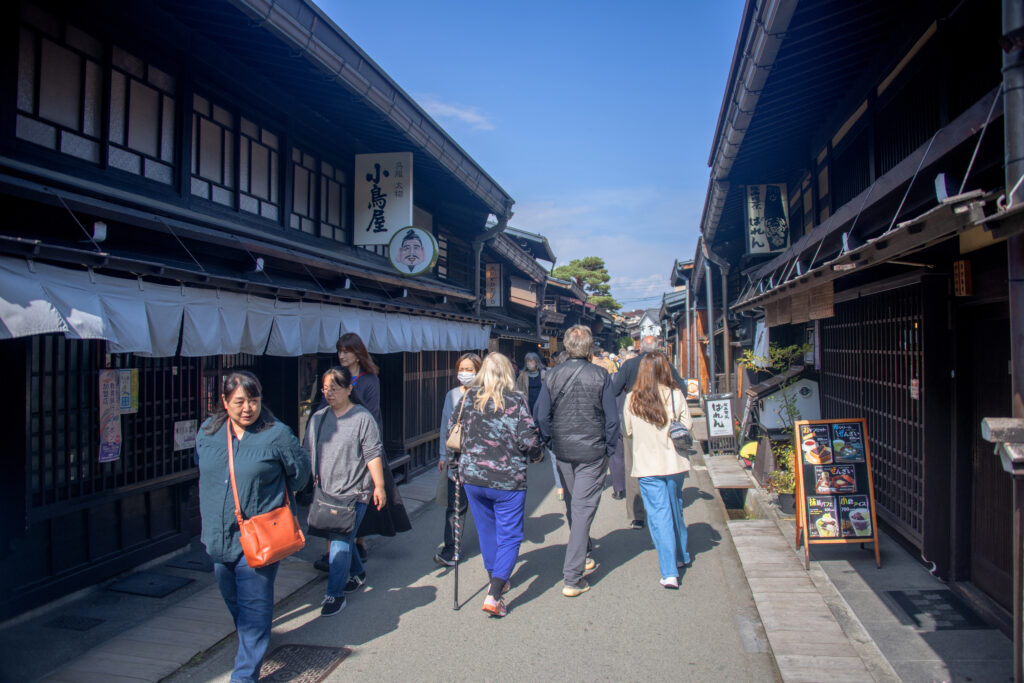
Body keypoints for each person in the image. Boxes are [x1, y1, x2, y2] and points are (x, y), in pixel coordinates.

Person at [196, 371, 310, 683]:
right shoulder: (208, 432)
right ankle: (254, 639)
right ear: (224, 401)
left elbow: (300, 474)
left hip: (260, 538)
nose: (247, 408)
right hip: (219, 538)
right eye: (240, 401)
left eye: (254, 401)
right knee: (237, 605)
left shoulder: (276, 435)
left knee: (254, 605)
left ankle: (244, 675)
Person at [449, 352, 543, 617]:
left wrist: (456, 462)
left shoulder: (468, 399)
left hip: (473, 478)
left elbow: (451, 432)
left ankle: (495, 576)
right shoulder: (515, 401)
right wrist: (537, 454)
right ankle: (495, 593)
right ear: (507, 374)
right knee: (510, 534)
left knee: (486, 531)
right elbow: (529, 440)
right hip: (507, 479)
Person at [534, 325, 619, 598]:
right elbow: (612, 418)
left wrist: (548, 441)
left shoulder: (552, 375)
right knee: (582, 508)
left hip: (563, 449)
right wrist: (610, 447)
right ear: (590, 346)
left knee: (574, 504)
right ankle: (573, 575)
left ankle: (584, 550)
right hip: (592, 451)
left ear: (568, 346)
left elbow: (542, 415)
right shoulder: (601, 375)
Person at [305, 366, 387, 616]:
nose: (329, 393)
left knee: (339, 540)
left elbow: (372, 453)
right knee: (342, 537)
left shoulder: (362, 418)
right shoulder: (318, 418)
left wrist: (380, 486)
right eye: (325, 388)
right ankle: (358, 572)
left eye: (335, 388)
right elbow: (309, 452)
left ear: (349, 389)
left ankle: (334, 594)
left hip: (355, 492)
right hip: (325, 490)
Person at [621, 352, 694, 589]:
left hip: (647, 464)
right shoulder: (675, 395)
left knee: (658, 515)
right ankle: (682, 555)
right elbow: (688, 425)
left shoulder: (632, 398)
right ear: (665, 370)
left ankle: (669, 571)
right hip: (674, 463)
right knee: (675, 508)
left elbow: (628, 431)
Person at [612, 335, 687, 530]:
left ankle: (637, 516)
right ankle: (667, 511)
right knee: (665, 462)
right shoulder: (665, 364)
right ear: (657, 347)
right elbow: (682, 388)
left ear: (640, 348)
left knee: (634, 467)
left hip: (635, 422)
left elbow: (614, 389)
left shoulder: (629, 365)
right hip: (664, 421)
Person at [434, 352, 482, 566]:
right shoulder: (452, 395)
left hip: (481, 458)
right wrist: (443, 455)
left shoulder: (484, 394)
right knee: (455, 506)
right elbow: (446, 425)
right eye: (461, 369)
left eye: (469, 369)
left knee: (483, 506)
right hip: (457, 457)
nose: (464, 373)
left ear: (479, 371)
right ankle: (451, 549)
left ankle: (493, 547)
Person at [514, 352, 563, 501]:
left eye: (531, 361)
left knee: (542, 426)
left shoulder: (545, 373)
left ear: (536, 362)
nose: (529, 363)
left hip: (542, 405)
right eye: (527, 361)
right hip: (529, 405)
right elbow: (518, 390)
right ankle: (537, 452)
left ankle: (542, 447)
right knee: (532, 430)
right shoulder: (522, 375)